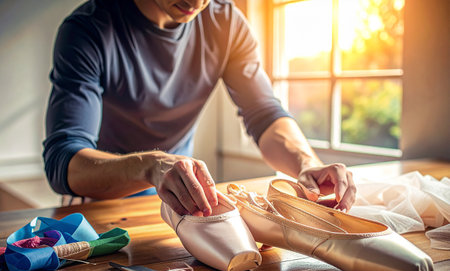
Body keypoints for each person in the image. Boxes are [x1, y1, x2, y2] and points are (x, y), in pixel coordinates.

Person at [43, 0, 356, 217]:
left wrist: (305, 164)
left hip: (180, 197)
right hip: (99, 200)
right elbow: (63, 160)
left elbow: (264, 114)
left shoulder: (227, 22)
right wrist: (151, 166)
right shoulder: (86, 30)